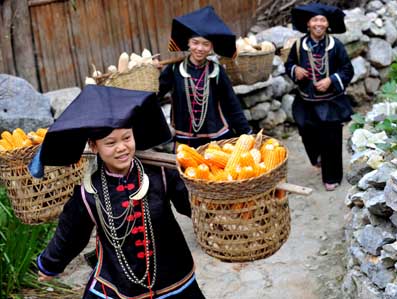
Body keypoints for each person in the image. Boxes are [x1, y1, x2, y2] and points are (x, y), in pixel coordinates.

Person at [34, 85, 205, 298]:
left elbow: (193, 205)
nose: (122, 148)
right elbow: (71, 234)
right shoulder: (89, 193)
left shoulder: (160, 174)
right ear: (94, 147)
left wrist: (219, 214)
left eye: (126, 138)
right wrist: (50, 265)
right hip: (118, 284)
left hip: (174, 278)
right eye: (110, 143)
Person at [158, 5, 251, 149]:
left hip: (217, 138)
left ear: (211, 47)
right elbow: (155, 96)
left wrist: (247, 134)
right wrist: (151, 75)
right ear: (188, 44)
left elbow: (232, 104)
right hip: (185, 140)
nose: (200, 48)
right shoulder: (174, 70)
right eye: (195, 43)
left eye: (205, 44)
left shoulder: (217, 71)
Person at [285, 3, 354, 191]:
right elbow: (288, 64)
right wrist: (295, 70)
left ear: (327, 24)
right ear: (308, 24)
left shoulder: (336, 46)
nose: (319, 24)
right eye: (314, 20)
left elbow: (348, 70)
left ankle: (332, 176)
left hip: (330, 101)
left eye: (322, 20)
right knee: (307, 133)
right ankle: (317, 157)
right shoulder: (299, 46)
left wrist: (331, 80)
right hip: (306, 101)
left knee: (331, 138)